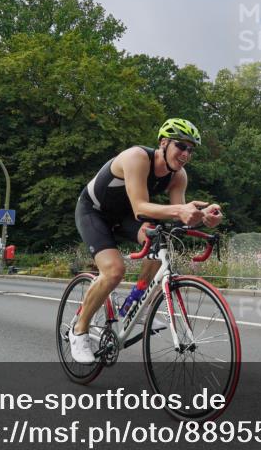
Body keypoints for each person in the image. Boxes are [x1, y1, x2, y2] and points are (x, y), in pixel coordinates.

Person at [69, 118, 223, 364]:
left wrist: (203, 217)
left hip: (125, 216)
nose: (186, 154)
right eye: (181, 146)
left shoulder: (178, 176)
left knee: (159, 238)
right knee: (114, 271)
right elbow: (141, 208)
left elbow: (179, 217)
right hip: (94, 212)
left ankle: (133, 303)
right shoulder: (137, 157)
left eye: (190, 149)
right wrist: (181, 210)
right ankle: (79, 331)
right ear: (163, 143)